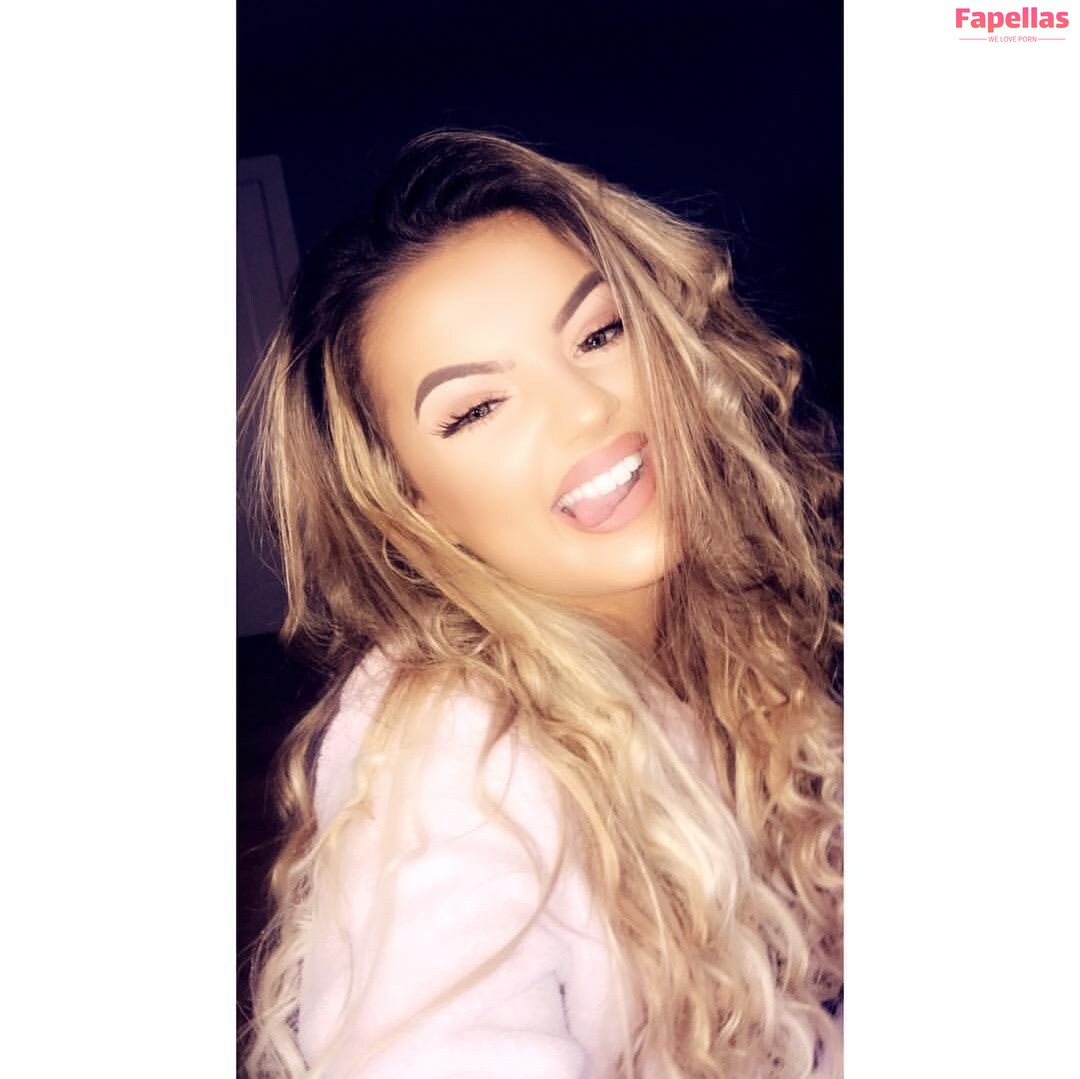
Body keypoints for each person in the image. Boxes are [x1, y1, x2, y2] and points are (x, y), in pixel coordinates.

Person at [241, 130, 843, 1078]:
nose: (586, 410)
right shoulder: (454, 742)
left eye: (599, 334)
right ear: (409, 506)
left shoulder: (720, 636)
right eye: (476, 408)